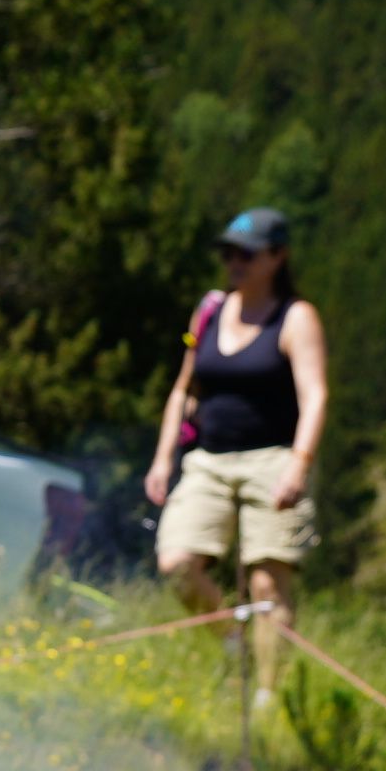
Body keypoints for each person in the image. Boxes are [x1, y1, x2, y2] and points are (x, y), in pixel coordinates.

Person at [145, 206, 331, 692]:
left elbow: (315, 395)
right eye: (229, 252)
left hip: (273, 459)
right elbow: (185, 388)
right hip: (208, 459)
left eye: (247, 253)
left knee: (268, 584)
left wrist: (299, 464)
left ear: (277, 257)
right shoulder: (209, 311)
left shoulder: (296, 318)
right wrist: (164, 457)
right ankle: (232, 639)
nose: (235, 262)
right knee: (177, 563)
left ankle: (268, 694)